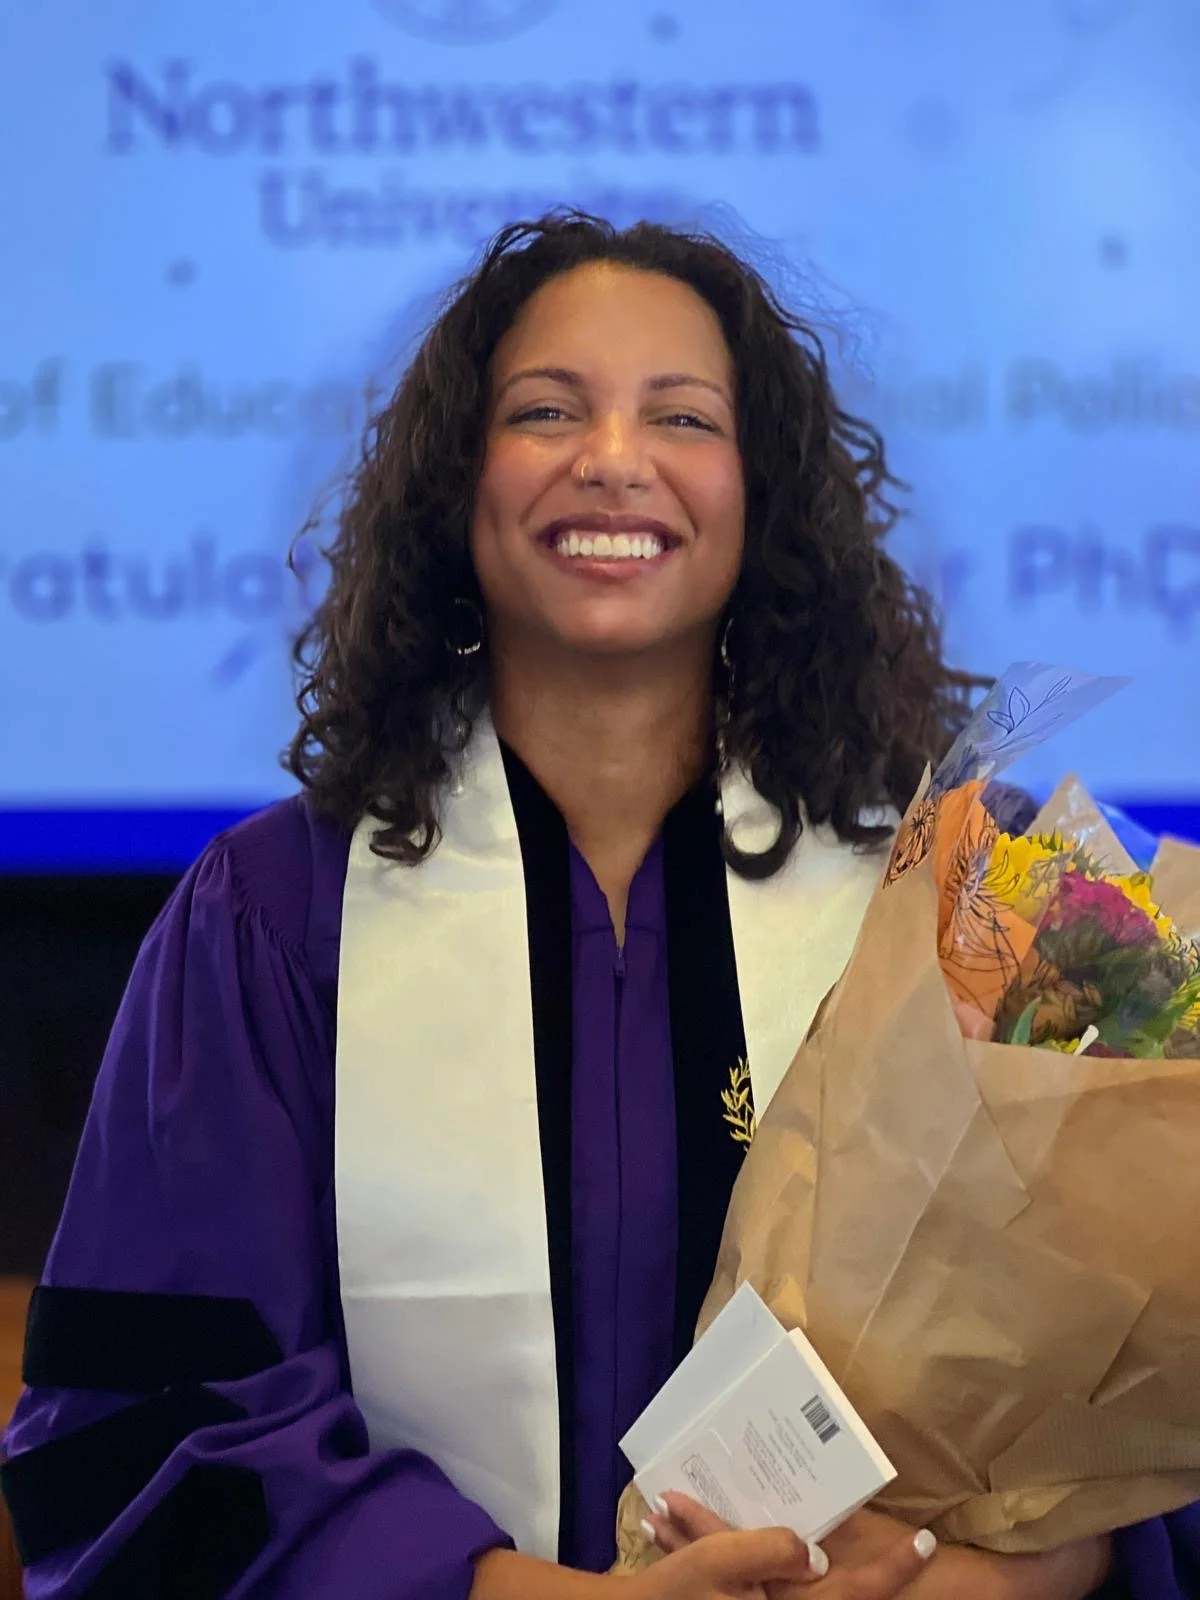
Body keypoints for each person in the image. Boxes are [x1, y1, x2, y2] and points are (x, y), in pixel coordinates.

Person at [0, 214, 1192, 1600]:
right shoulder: (275, 921)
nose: (612, 457)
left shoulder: (947, 907)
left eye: (682, 416)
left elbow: (1134, 1394)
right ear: (463, 481)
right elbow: (154, 1430)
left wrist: (1010, 1572)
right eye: (546, 410)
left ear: (763, 497)